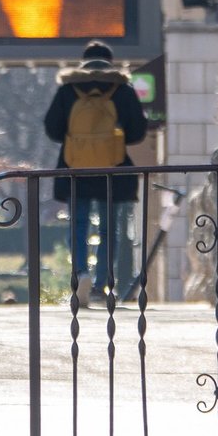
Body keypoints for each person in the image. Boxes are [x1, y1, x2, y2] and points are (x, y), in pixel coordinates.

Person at [44, 40, 147, 308]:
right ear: (109, 61)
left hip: (75, 168)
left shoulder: (69, 89)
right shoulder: (121, 89)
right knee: (108, 228)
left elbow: (52, 129)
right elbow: (137, 132)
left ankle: (80, 275)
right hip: (111, 170)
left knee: (77, 224)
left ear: (84, 61)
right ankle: (102, 286)